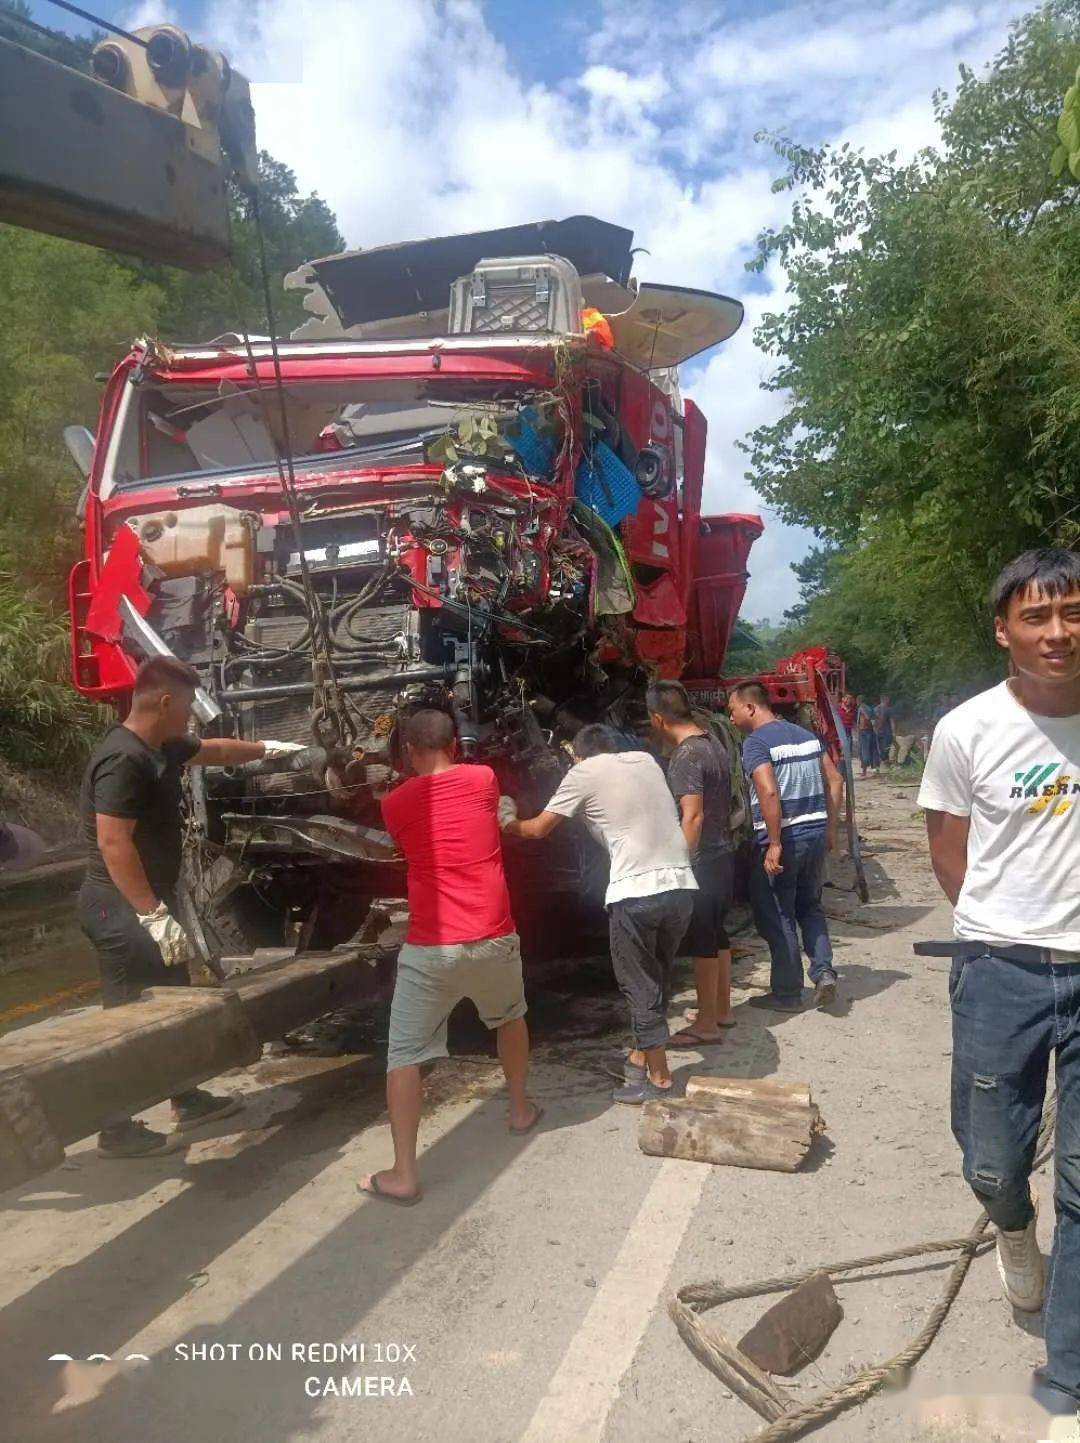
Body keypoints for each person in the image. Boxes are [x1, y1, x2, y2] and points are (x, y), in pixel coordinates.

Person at [918, 548, 1080, 1416]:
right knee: (992, 1158)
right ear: (1004, 629)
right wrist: (999, 929)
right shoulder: (966, 729)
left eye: (1074, 612)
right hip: (1000, 972)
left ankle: (1067, 1380)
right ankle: (1014, 1230)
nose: (1058, 632)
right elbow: (950, 853)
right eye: (1037, 616)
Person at [78, 655, 305, 1159]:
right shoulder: (125, 760)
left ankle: (186, 1096)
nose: (190, 717)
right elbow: (114, 844)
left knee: (175, 1002)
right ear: (164, 702)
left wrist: (270, 748)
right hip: (117, 907)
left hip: (145, 900)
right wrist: (151, 916)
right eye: (186, 707)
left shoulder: (159, 746)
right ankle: (115, 1129)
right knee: (124, 1020)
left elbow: (213, 749)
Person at [359, 709, 540, 1205]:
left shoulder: (395, 804)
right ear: (454, 746)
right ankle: (520, 1110)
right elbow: (489, 801)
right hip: (493, 935)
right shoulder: (482, 778)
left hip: (431, 947)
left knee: (404, 1056)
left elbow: (409, 837)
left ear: (408, 752)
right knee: (510, 1017)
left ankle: (403, 1173)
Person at [503, 724, 696, 1103]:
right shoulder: (646, 760)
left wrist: (507, 820)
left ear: (578, 755)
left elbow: (539, 829)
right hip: (681, 887)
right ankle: (640, 1058)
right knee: (657, 977)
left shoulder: (583, 772)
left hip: (635, 893)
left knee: (638, 985)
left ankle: (657, 1078)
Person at [728, 682, 845, 1011]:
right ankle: (823, 972)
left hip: (785, 840)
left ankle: (787, 993)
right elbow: (835, 779)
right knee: (810, 907)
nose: (731, 719)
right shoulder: (807, 736)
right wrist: (831, 828)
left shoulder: (756, 743)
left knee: (777, 914)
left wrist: (775, 843)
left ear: (751, 707)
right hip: (815, 835)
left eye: (733, 711)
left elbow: (767, 791)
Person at [646, 680, 735, 1047]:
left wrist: (679, 864)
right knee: (717, 933)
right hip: (723, 854)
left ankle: (707, 1026)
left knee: (701, 938)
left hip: (700, 859)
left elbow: (692, 817)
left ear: (657, 717)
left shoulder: (686, 756)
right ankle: (720, 1010)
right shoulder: (711, 741)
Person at [855, 695, 880, 777]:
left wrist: (866, 721)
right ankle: (876, 769)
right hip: (871, 730)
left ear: (858, 701)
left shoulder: (861, 708)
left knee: (863, 751)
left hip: (864, 731)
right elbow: (876, 716)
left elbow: (867, 717)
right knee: (873, 749)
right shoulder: (870, 708)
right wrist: (874, 725)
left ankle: (864, 771)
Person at [874, 694, 895, 766]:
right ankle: (885, 761)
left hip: (878, 731)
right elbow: (892, 721)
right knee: (886, 747)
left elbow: (874, 721)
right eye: (888, 699)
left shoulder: (875, 709)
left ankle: (882, 761)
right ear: (886, 699)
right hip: (887, 732)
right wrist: (893, 732)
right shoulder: (889, 709)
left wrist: (875, 729)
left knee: (879, 747)